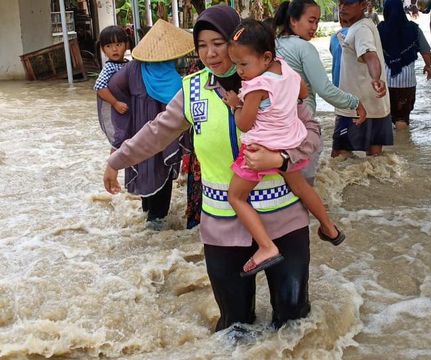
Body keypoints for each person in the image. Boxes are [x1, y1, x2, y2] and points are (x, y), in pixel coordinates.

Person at [103, 5, 319, 331]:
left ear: (236, 40)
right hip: (223, 225)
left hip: (283, 217)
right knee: (235, 326)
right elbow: (155, 133)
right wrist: (115, 160)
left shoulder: (276, 80)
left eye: (218, 42)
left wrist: (281, 159)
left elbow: (313, 132)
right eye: (202, 45)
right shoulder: (192, 89)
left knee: (292, 320)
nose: (210, 53)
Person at [222, 19, 345, 277]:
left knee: (235, 196)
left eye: (243, 64)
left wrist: (235, 104)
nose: (240, 71)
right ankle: (329, 227)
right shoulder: (285, 67)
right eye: (235, 65)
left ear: (266, 57)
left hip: (260, 148)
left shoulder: (256, 87)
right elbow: (302, 91)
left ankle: (266, 246)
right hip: (291, 142)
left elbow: (245, 124)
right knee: (300, 186)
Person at [100, 19, 195, 230]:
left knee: (142, 165)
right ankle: (157, 221)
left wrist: (126, 109)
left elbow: (112, 87)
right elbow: (185, 113)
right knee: (162, 169)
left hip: (139, 132)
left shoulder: (132, 69)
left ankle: (147, 215)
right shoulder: (175, 79)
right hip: (165, 134)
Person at [273, 0, 367, 183]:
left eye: (317, 21)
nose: (315, 27)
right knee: (306, 184)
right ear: (293, 20)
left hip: (275, 124)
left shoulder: (273, 45)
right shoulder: (304, 48)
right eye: (311, 21)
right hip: (300, 125)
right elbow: (325, 89)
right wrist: (355, 103)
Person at [332, 0, 392, 157]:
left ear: (363, 5)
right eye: (341, 3)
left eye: (349, 3)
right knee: (375, 160)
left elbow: (370, 56)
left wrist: (376, 78)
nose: (343, 8)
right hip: (377, 106)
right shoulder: (365, 25)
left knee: (339, 157)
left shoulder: (361, 29)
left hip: (355, 108)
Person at [378, 0, 431, 130]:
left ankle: (391, 147)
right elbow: (425, 51)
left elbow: (371, 54)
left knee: (386, 117)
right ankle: (404, 147)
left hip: (385, 82)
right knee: (402, 118)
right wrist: (428, 66)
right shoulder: (414, 29)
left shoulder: (379, 30)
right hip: (407, 82)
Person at [94, 25, 130, 115]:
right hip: (120, 109)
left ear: (126, 45)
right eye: (108, 46)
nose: (114, 49)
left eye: (118, 44)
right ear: (103, 49)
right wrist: (115, 103)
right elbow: (99, 87)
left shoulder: (128, 63)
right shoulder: (110, 67)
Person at [329, 16, 349, 87]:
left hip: (337, 80)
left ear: (340, 21)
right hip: (351, 81)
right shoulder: (354, 34)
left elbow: (332, 52)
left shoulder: (333, 37)